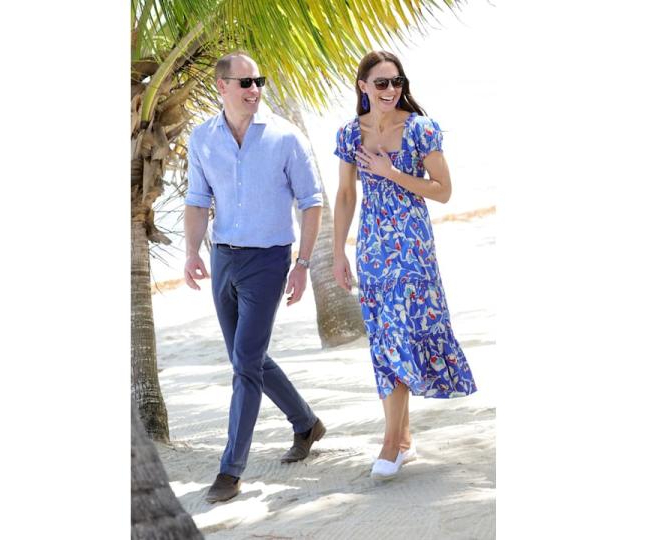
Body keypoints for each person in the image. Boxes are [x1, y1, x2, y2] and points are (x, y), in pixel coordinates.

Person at [184, 52, 327, 503]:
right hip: (224, 258)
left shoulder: (286, 137)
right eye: (245, 82)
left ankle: (230, 470)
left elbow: (311, 202)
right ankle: (306, 423)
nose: (254, 90)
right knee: (248, 358)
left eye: (258, 81)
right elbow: (195, 199)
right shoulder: (203, 138)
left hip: (269, 261)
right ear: (222, 87)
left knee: (245, 363)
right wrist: (190, 251)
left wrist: (302, 264)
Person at [332, 50, 477, 482]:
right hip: (373, 252)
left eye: (397, 82)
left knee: (399, 334)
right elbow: (344, 196)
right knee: (385, 340)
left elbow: (444, 190)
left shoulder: (419, 130)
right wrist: (338, 251)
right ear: (363, 87)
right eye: (381, 83)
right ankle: (405, 439)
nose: (391, 90)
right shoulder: (348, 135)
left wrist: (391, 172)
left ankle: (390, 444)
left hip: (413, 251)